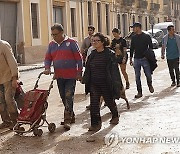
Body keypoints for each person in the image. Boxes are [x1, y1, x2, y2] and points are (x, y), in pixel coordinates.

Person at [44, 23, 83, 130]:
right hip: (59, 76)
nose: (54, 37)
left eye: (56, 34)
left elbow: (79, 59)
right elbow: (48, 58)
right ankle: (71, 115)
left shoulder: (71, 43)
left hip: (71, 76)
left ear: (62, 33)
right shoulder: (52, 44)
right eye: (52, 35)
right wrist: (47, 68)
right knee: (63, 97)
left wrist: (79, 72)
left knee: (68, 95)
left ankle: (67, 120)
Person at [82, 33, 123, 132]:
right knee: (94, 104)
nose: (94, 42)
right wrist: (85, 79)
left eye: (97, 40)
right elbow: (88, 68)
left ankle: (115, 115)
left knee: (109, 101)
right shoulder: (92, 54)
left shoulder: (110, 54)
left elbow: (114, 71)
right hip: (94, 83)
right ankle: (95, 124)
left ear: (103, 42)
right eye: (93, 41)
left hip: (106, 83)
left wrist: (117, 84)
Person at [130, 22, 154, 98]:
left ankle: (150, 85)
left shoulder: (146, 36)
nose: (133, 29)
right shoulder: (133, 37)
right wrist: (131, 58)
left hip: (145, 59)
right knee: (137, 76)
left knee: (148, 75)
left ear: (138, 28)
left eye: (134, 27)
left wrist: (149, 56)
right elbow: (132, 48)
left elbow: (151, 47)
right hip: (136, 59)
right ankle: (139, 92)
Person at [0, 40, 19, 129]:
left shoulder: (3, 45)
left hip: (8, 78)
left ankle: (16, 121)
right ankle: (6, 121)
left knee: (9, 100)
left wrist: (15, 77)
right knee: (1, 102)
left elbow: (12, 62)